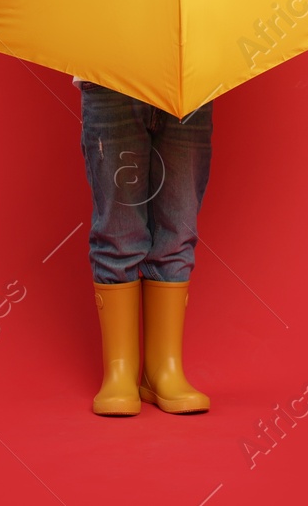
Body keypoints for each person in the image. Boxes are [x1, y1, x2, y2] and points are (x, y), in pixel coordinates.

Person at [74, 76, 213, 416]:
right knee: (117, 229)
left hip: (190, 77)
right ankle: (119, 371)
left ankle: (163, 370)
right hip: (107, 68)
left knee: (179, 225)